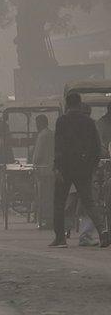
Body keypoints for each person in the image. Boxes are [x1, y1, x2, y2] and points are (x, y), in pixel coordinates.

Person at [50, 92, 107, 248]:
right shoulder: (89, 122)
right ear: (80, 104)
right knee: (89, 202)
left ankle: (60, 238)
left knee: (60, 203)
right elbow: (96, 146)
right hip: (84, 169)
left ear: (67, 104)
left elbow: (59, 146)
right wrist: (92, 166)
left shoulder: (62, 121)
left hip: (65, 167)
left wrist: (57, 167)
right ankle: (102, 232)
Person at [32, 114, 55, 228]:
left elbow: (38, 154)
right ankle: (50, 218)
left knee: (44, 196)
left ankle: (47, 220)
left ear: (40, 123)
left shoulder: (42, 135)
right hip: (51, 170)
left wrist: (34, 164)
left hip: (43, 170)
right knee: (50, 195)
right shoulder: (51, 133)